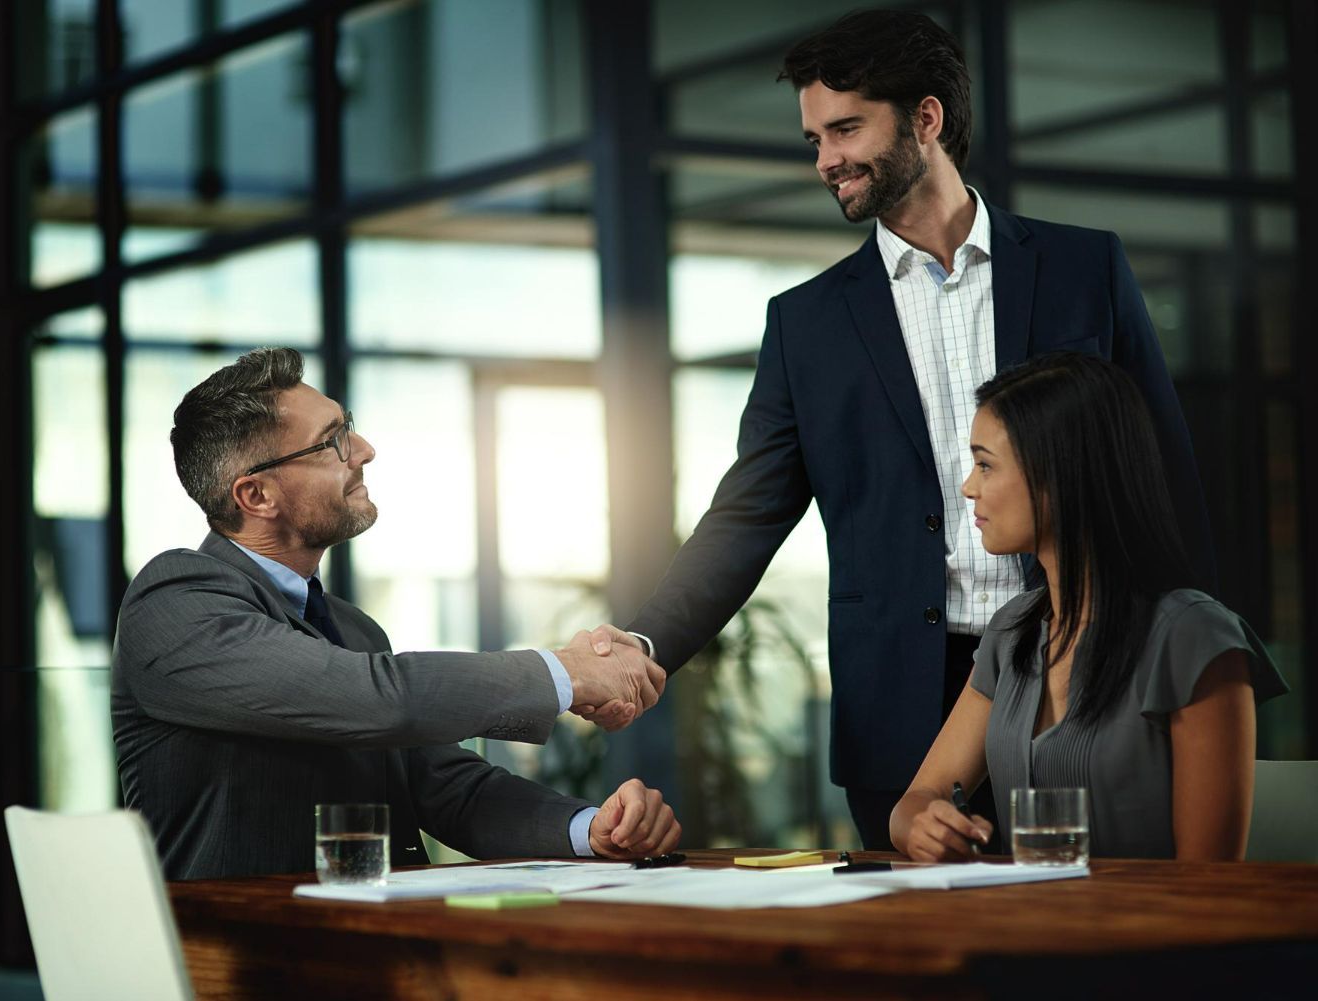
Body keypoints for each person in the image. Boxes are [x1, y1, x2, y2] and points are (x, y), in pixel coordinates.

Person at [583, 9, 1215, 849]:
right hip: (904, 707)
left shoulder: (1083, 268)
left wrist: (1202, 661)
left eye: (845, 128)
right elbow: (748, 514)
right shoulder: (805, 325)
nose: (826, 160)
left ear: (927, 117)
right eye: (813, 139)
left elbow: (1159, 468)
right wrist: (647, 640)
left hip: (1090, 674)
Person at [112, 348, 680, 880]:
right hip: (235, 960)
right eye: (332, 441)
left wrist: (591, 830)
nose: (363, 450)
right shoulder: (176, 602)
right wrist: (565, 673)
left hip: (370, 937)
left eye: (349, 425)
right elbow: (379, 699)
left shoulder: (354, 629)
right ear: (257, 496)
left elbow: (446, 788)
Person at [890, 353, 1286, 861]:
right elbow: (915, 801)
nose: (969, 487)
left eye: (985, 464)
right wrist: (924, 825)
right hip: (1027, 930)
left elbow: (1208, 879)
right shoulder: (1011, 632)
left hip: (1144, 936)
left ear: (1058, 473)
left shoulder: (1194, 637)